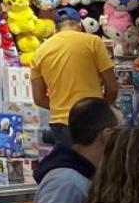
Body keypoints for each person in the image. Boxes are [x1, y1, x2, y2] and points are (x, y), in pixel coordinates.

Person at [32, 9, 118, 145]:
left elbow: (38, 98)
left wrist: (60, 107)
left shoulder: (40, 50)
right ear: (80, 25)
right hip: (91, 120)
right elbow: (112, 88)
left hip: (59, 123)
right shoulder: (93, 42)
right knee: (92, 165)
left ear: (56, 28)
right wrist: (101, 108)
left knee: (69, 164)